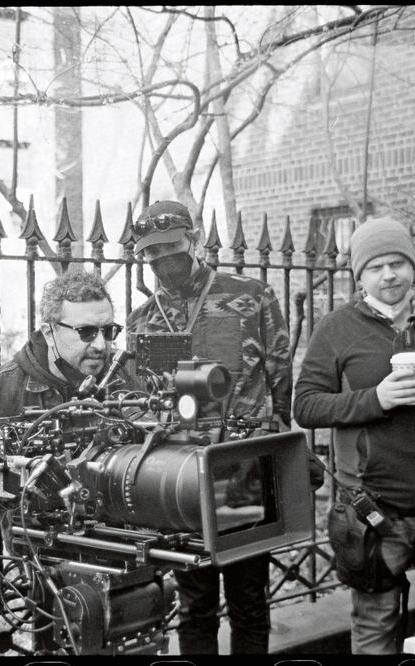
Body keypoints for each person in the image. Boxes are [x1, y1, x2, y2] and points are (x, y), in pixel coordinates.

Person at [293, 215, 415, 655]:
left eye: (397, 263)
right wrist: (375, 399)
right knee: (376, 634)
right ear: (359, 274)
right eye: (376, 266)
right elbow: (305, 405)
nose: (389, 275)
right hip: (377, 515)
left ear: (411, 265)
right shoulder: (337, 329)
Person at [0, 270, 140, 639]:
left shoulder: (125, 379)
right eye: (87, 332)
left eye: (109, 331)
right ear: (48, 332)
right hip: (43, 556)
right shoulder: (7, 386)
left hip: (119, 549)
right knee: (52, 642)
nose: (102, 345)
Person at [125, 200, 292, 655]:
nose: (161, 260)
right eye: (150, 253)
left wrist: (276, 450)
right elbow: (139, 400)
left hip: (239, 472)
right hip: (179, 473)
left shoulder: (251, 295)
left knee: (248, 598)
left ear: (194, 240)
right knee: (195, 603)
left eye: (170, 248)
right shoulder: (142, 320)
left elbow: (280, 378)